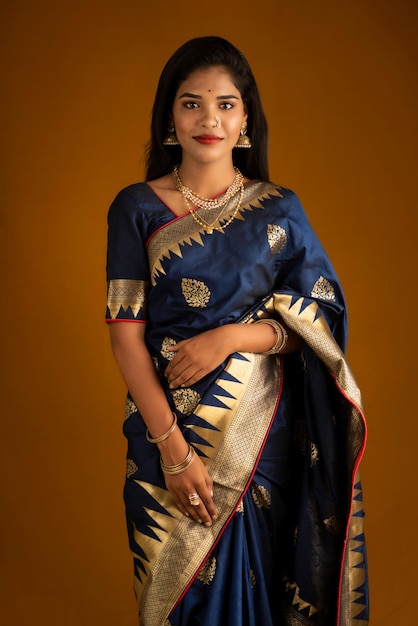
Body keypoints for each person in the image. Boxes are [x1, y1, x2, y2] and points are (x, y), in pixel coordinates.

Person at [105, 36, 368, 626]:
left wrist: (231, 338)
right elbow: (125, 334)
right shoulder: (136, 209)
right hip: (162, 435)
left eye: (226, 104)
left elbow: (317, 322)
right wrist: (172, 449)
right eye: (192, 103)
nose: (209, 119)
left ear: (246, 118)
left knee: (262, 586)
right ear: (170, 117)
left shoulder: (279, 209)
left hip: (258, 443)